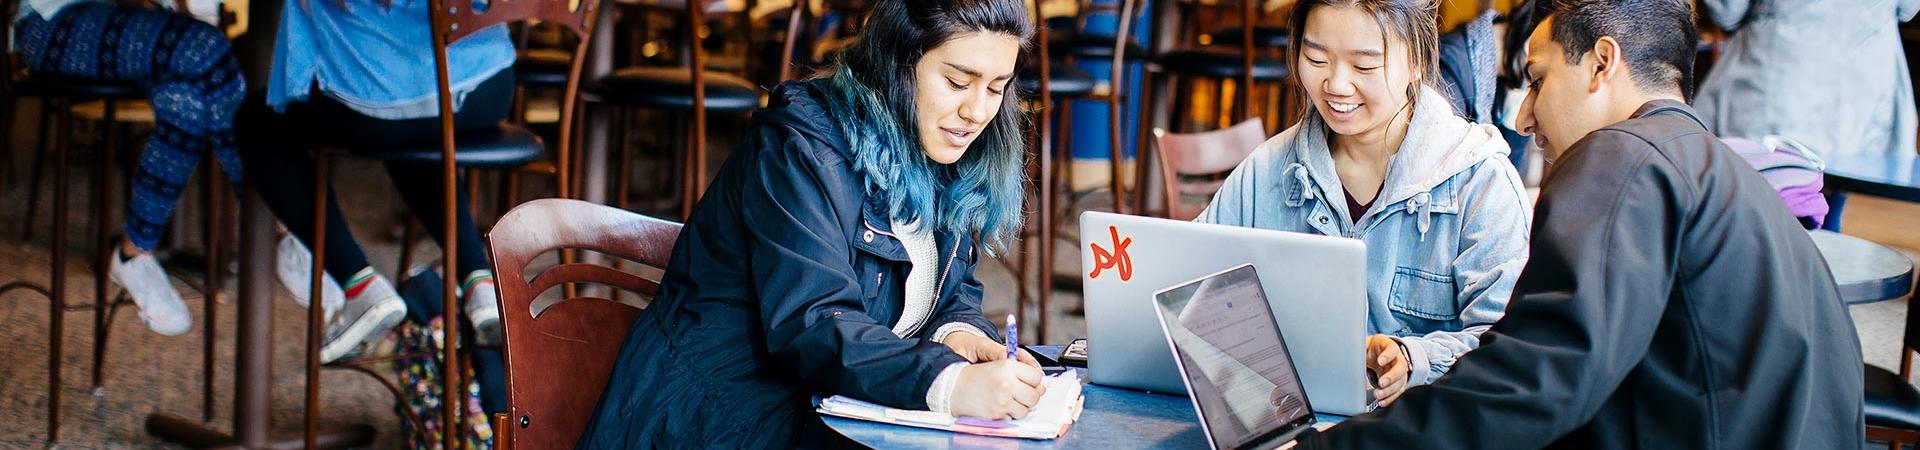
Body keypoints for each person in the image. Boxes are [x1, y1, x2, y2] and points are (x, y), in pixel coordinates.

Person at [1294, 0, 1863, 447]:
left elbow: (1534, 383)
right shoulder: (1713, 165)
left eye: (1537, 81)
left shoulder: (1622, 156)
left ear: (1602, 63)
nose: (1523, 117)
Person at [575, 0, 1040, 446]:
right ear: (899, 63)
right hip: (710, 424)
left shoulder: (938, 142)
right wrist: (951, 383)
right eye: (959, 82)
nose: (977, 112)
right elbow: (815, 321)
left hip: (823, 420)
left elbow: (951, 288)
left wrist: (958, 334)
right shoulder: (798, 151)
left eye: (997, 88)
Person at [1195, 0, 1531, 408]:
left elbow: (1507, 347)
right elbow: (1190, 287)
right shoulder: (1268, 171)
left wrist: (1415, 358)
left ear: (1417, 61)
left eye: (1364, 66)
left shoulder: (1480, 184)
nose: (1336, 84)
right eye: (1316, 57)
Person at [236, 0, 515, 364]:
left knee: (256, 124)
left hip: (380, 89)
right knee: (414, 123)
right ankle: (480, 282)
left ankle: (359, 284)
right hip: (488, 87)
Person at [11, 0, 242, 335]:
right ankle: (277, 217)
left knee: (187, 97)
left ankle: (134, 252)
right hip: (52, 22)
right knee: (205, 47)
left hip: (133, 18)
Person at [1694, 0, 1919, 159]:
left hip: (1781, 70)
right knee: (1840, 175)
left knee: (1769, 179)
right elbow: (1908, 8)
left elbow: (1728, 11)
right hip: (1860, 79)